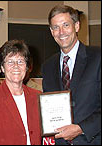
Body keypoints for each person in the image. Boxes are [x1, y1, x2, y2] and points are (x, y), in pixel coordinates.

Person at [41, 5, 101, 145]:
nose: (61, 32)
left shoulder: (98, 58)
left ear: (77, 26)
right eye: (56, 27)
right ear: (51, 32)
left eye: (66, 25)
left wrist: (81, 129)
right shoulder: (47, 66)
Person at [0, 39, 42, 145]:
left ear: (27, 66)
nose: (16, 66)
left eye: (20, 61)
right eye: (10, 62)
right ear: (2, 68)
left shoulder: (37, 96)